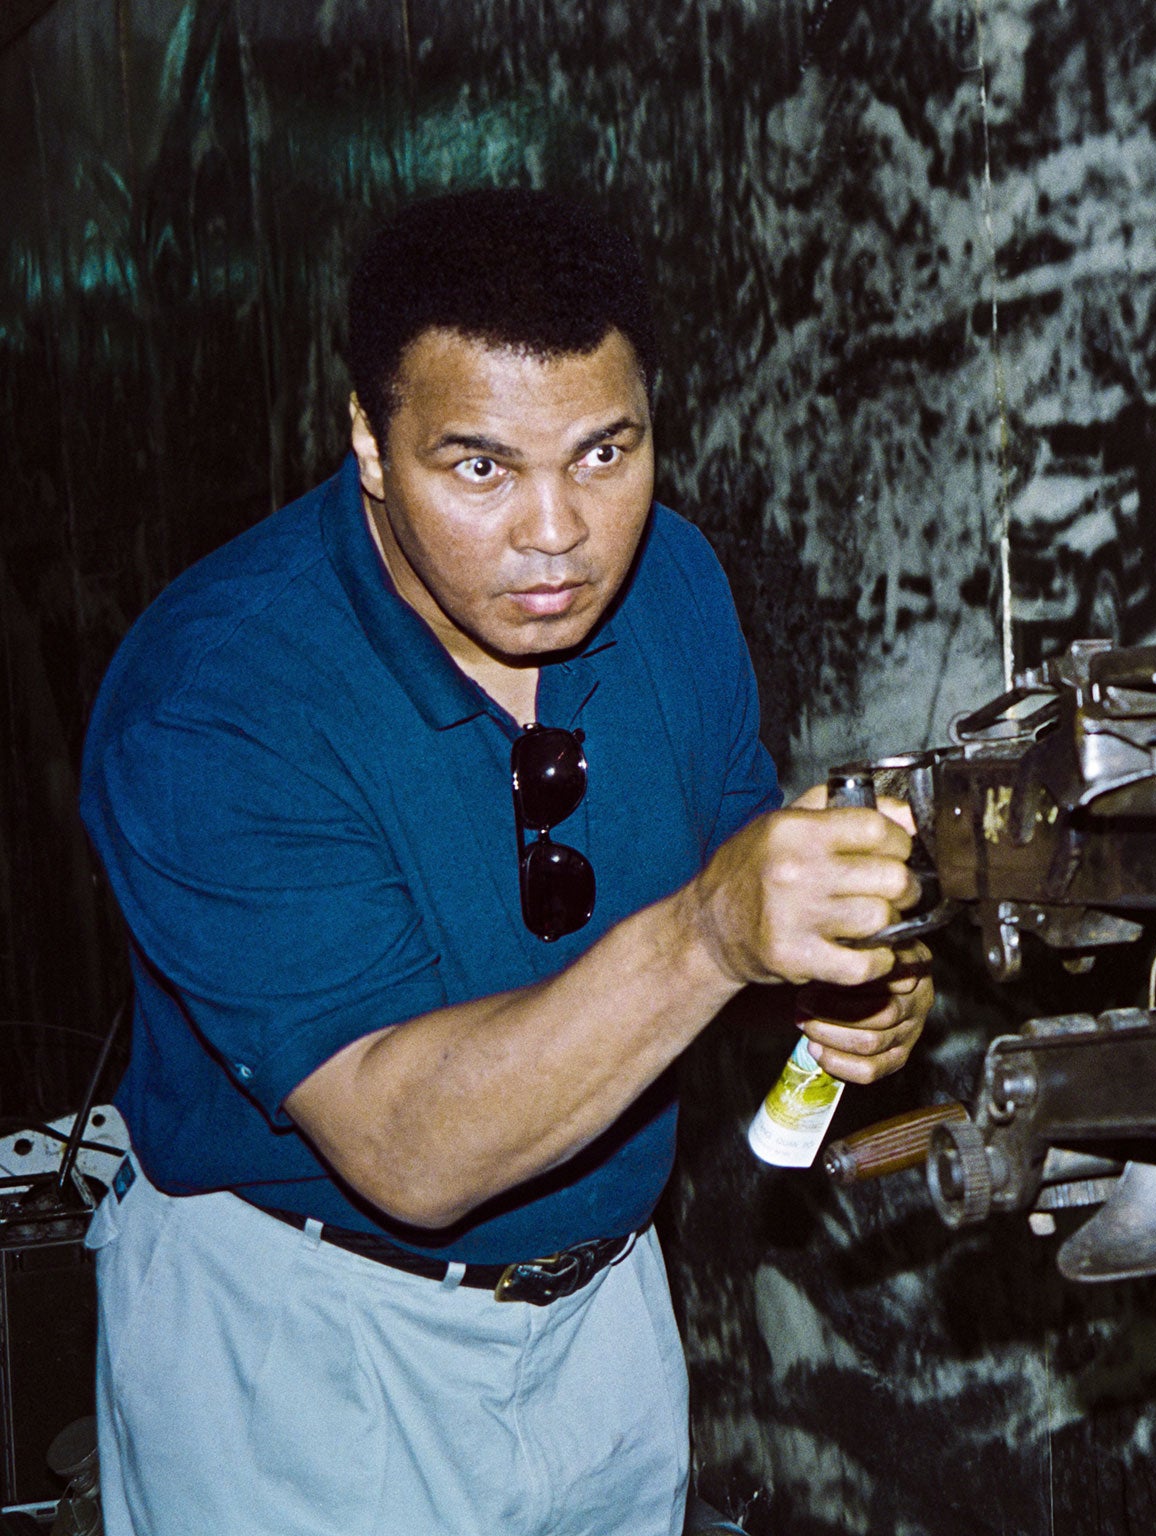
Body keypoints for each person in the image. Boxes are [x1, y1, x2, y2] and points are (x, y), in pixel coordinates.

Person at [75, 187, 932, 1535]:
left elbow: (733, 898)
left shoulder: (676, 589)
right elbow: (408, 1146)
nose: (558, 533)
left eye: (606, 453)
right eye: (480, 467)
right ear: (368, 439)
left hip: (601, 1324)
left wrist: (824, 972)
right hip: (305, 1351)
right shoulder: (215, 699)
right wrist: (715, 933)